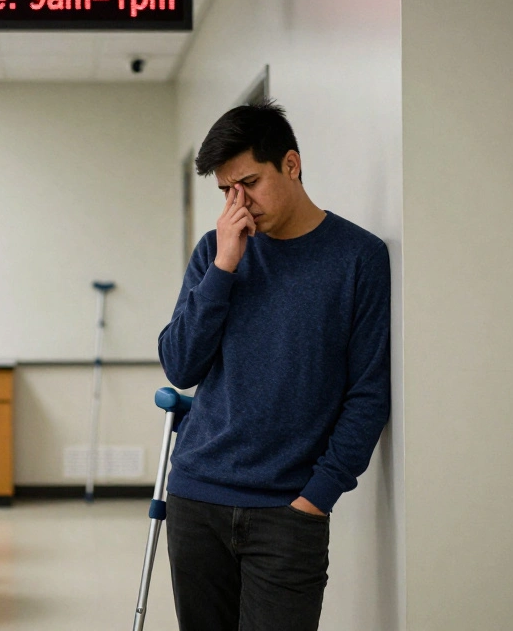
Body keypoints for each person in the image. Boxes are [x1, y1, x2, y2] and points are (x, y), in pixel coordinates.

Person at [158, 101, 391, 631]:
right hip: (197, 499)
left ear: (291, 164)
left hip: (289, 514)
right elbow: (179, 363)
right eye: (225, 192)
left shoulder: (359, 258)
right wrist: (223, 267)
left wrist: (317, 498)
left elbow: (368, 393)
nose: (239, 204)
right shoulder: (217, 252)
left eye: (249, 183)